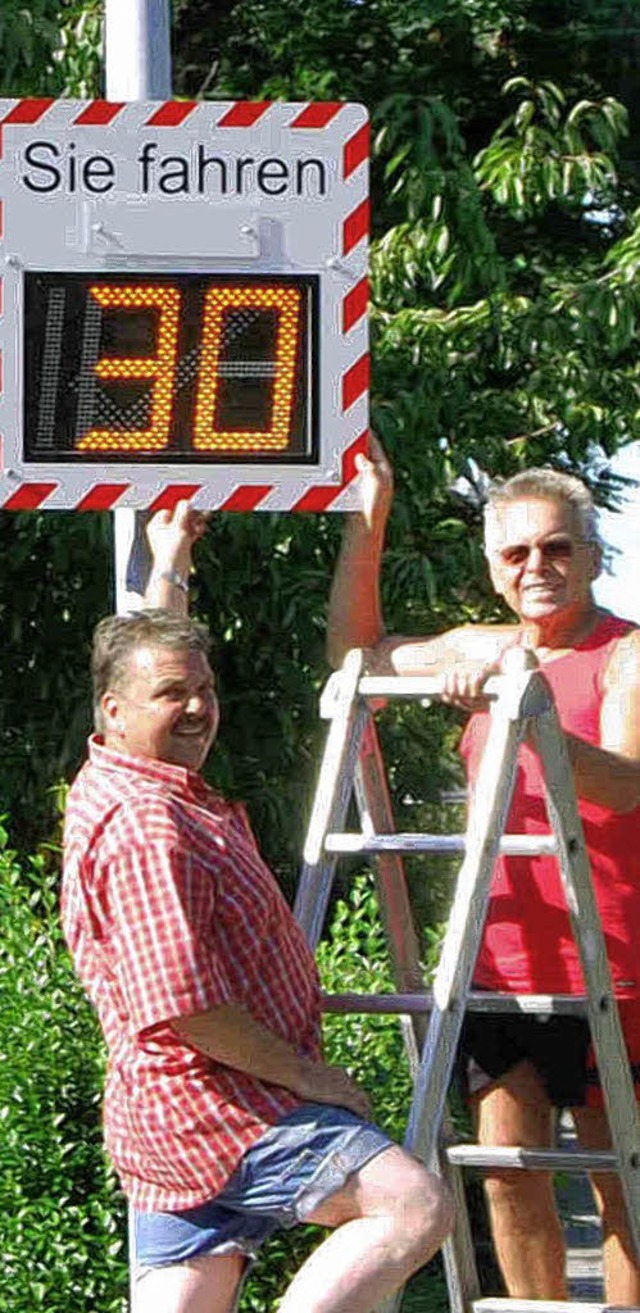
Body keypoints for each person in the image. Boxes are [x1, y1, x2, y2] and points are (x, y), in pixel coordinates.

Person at [61, 502, 452, 1313]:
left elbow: (148, 660)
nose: (200, 707)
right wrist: (314, 1078)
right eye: (176, 695)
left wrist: (169, 564)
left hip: (166, 1119)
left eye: (206, 689)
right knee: (411, 1204)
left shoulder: (121, 772)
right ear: (114, 712)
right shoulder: (145, 824)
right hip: (220, 1102)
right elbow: (190, 1009)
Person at [327, 439, 640, 1306]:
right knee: (508, 1173)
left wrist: (527, 707)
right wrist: (371, 516)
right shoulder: (486, 643)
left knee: (624, 1184)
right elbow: (357, 657)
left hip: (615, 969)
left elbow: (627, 780)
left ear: (592, 554)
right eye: (517, 551)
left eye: (557, 547)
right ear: (494, 568)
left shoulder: (626, 655)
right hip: (497, 964)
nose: (538, 565)